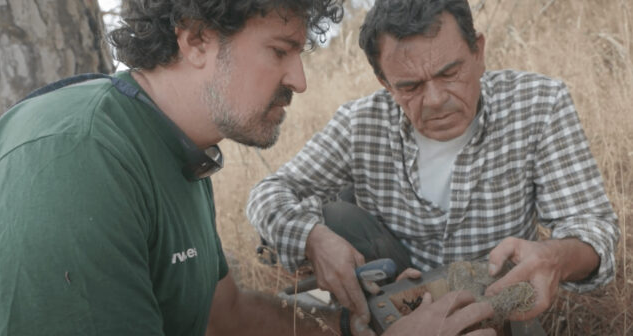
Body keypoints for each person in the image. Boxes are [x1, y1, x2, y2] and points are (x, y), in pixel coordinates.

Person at [0, 0, 499, 335]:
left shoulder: (179, 151)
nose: (299, 80)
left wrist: (358, 326)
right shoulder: (77, 158)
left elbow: (226, 316)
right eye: (280, 51)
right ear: (195, 41)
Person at [247, 0, 620, 330]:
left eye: (449, 73)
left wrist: (555, 257)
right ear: (385, 83)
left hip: (492, 303)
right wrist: (314, 240)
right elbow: (269, 194)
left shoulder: (539, 106)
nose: (437, 100)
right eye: (410, 86)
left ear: (479, 51)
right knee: (329, 228)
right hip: (397, 299)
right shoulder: (360, 124)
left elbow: (591, 226)